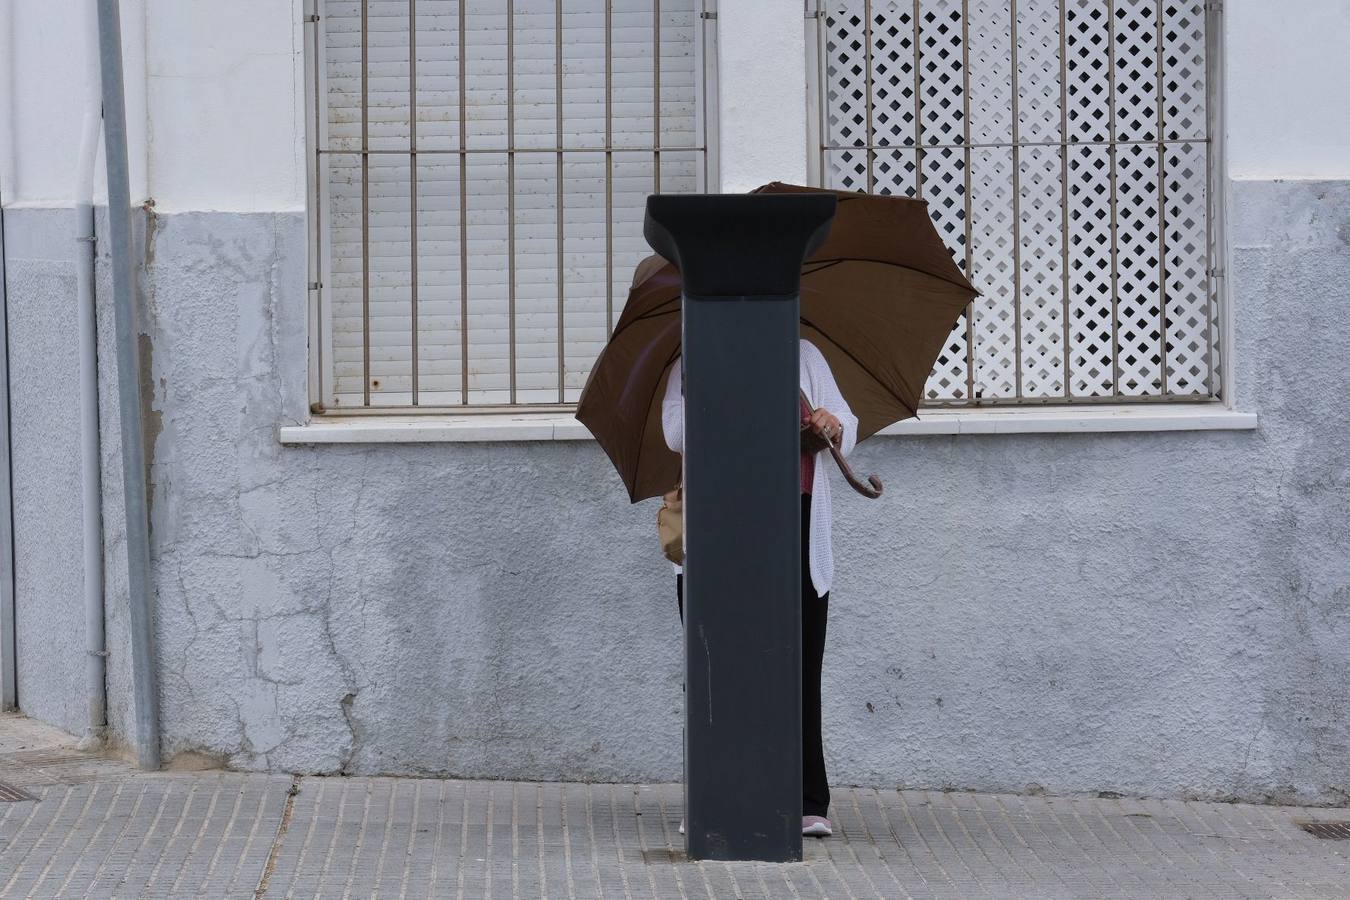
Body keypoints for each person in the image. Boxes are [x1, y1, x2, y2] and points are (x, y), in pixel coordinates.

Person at [661, 338, 859, 839]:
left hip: (798, 519)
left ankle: (808, 799)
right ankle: (713, 795)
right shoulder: (695, 353)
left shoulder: (805, 355)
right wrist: (741, 406)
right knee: (719, 669)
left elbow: (846, 424)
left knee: (799, 667)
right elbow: (676, 430)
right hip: (723, 524)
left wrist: (830, 425)